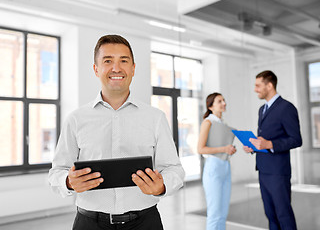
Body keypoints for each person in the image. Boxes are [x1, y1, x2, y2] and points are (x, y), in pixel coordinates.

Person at [48, 34, 185, 230]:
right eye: (107, 61)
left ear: (133, 68)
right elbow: (56, 173)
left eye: (123, 60)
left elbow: (175, 169)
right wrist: (68, 182)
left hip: (145, 222)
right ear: (96, 69)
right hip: (89, 223)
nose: (116, 68)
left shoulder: (155, 117)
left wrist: (162, 185)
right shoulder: (75, 119)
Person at [243, 70, 302, 230]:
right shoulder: (262, 109)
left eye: (258, 85)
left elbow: (296, 139)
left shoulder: (287, 108)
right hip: (263, 170)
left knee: (283, 214)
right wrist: (254, 146)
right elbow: (265, 138)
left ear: (269, 85)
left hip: (278, 172)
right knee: (270, 215)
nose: (255, 89)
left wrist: (270, 145)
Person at [197, 92, 237, 230]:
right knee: (214, 213)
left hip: (225, 166)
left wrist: (229, 149)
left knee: (223, 213)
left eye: (224, 100)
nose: (224, 103)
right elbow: (200, 149)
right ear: (211, 106)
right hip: (213, 167)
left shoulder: (223, 124)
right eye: (219, 101)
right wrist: (224, 148)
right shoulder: (208, 122)